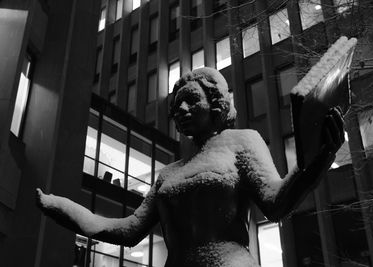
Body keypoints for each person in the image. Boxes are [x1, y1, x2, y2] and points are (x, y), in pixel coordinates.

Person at [37, 67, 344, 267]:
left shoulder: (241, 142)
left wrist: (317, 161)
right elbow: (128, 230)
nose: (180, 110)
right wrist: (65, 210)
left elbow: (276, 203)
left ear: (215, 104)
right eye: (176, 106)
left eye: (190, 100)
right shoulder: (167, 174)